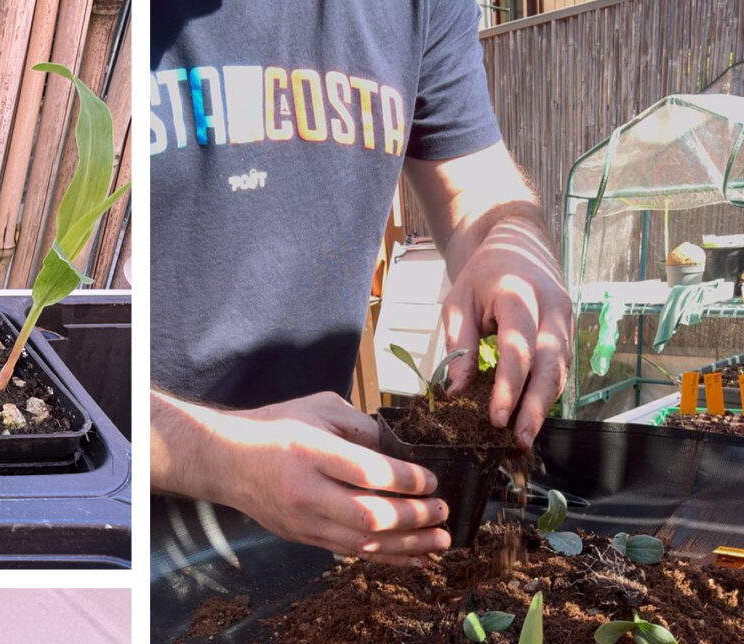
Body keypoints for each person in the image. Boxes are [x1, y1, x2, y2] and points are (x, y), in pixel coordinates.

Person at [149, 0, 572, 566]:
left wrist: (515, 237)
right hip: (132, 511)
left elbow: (473, 190)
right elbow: (72, 356)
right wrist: (221, 455)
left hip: (322, 512)